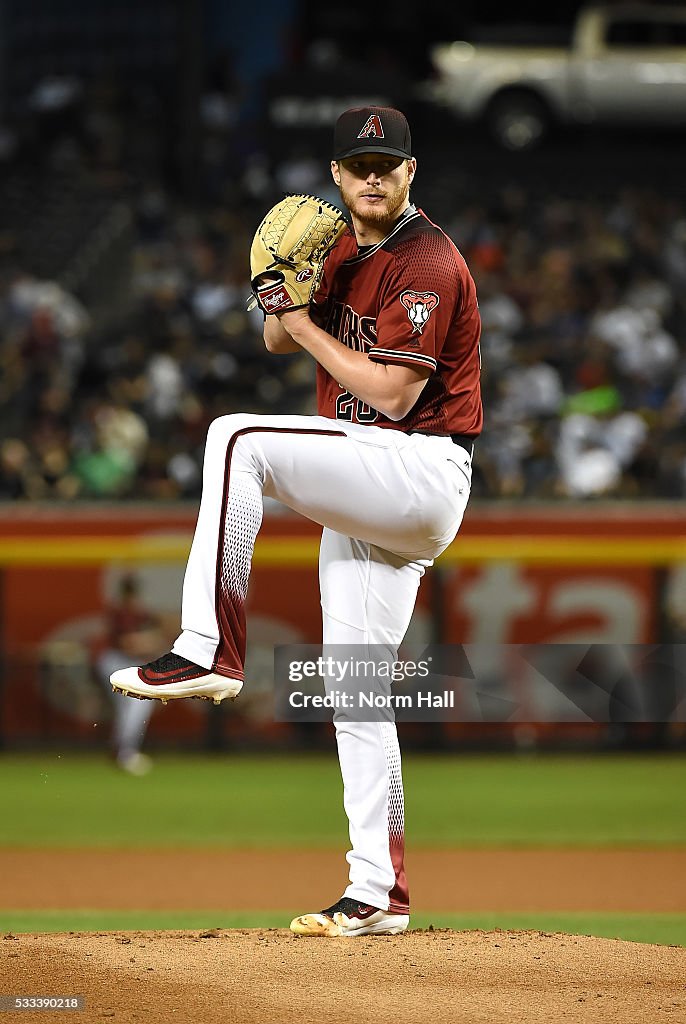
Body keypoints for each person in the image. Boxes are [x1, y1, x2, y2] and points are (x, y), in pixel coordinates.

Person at [112, 106, 482, 936]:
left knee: (236, 436)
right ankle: (379, 892)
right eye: (359, 164)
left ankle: (209, 648)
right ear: (338, 174)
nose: (373, 176)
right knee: (358, 689)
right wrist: (278, 296)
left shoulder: (427, 260)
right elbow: (281, 343)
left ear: (411, 172)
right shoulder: (342, 245)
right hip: (370, 485)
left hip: (418, 466)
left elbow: (389, 394)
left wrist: (302, 318)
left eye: (387, 163)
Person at [97, 574, 165, 775]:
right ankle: (124, 752)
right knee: (136, 703)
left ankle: (122, 751)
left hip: (128, 663)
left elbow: (159, 635)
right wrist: (149, 640)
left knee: (134, 706)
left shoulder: (141, 612)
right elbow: (130, 644)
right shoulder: (121, 613)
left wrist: (150, 639)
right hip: (114, 661)